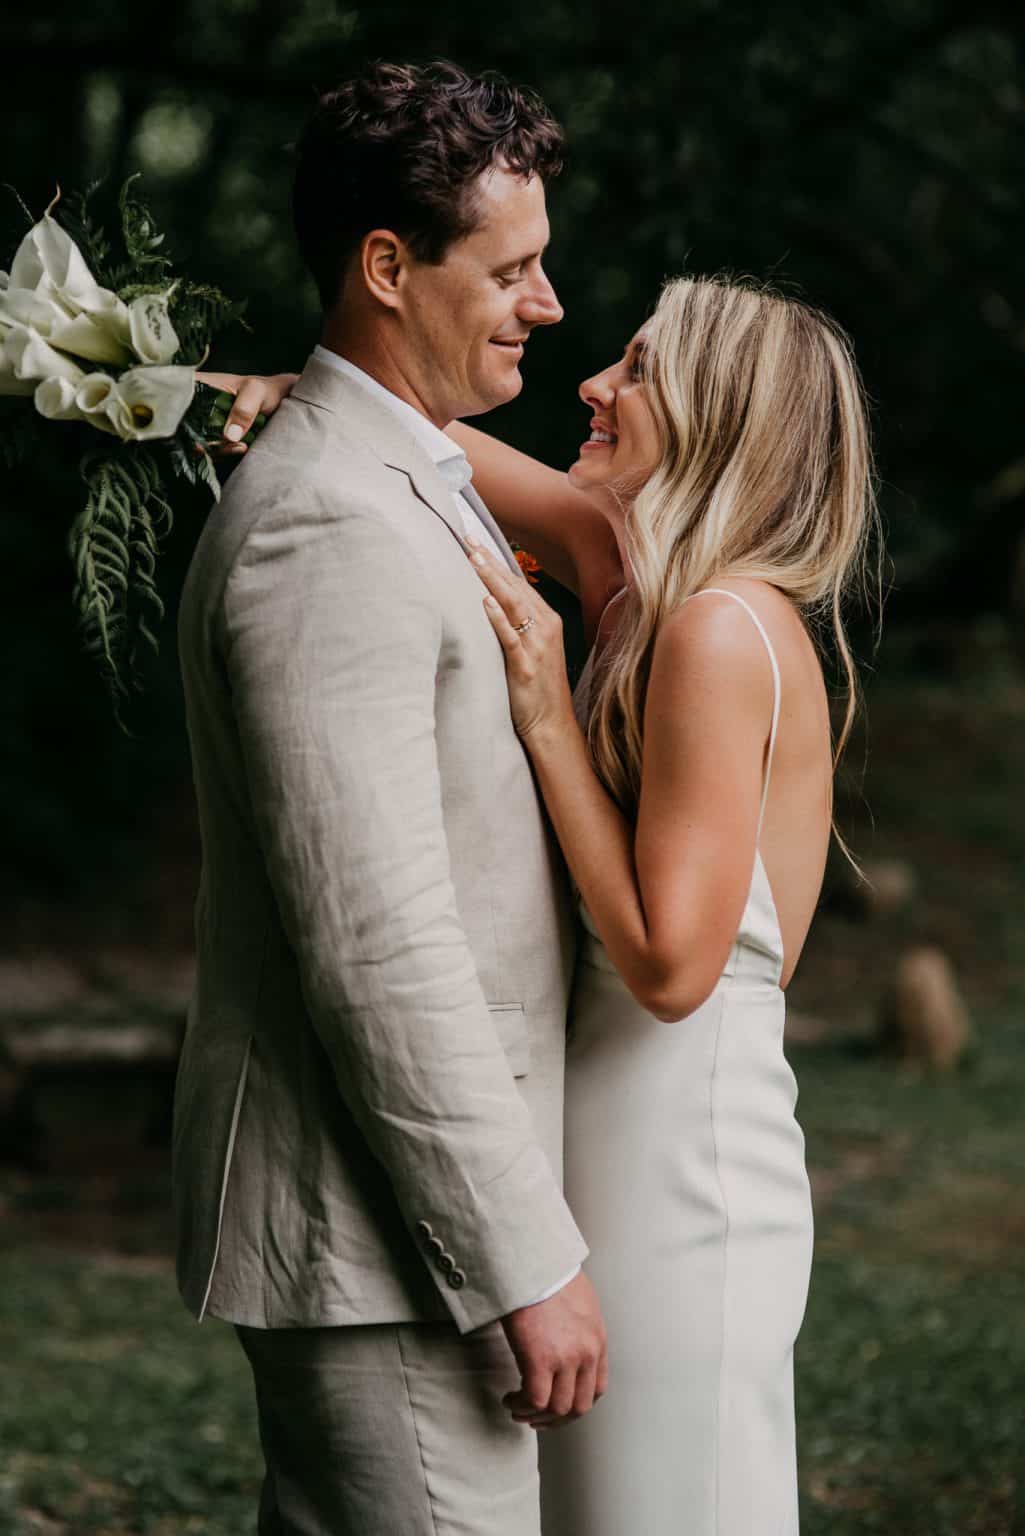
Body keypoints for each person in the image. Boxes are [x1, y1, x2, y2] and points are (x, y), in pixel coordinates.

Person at [217, 272, 878, 1534]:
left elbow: (671, 971)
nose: (593, 381)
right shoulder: (616, 561)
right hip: (592, 1137)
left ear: (713, 413)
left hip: (681, 1161)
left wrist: (546, 718)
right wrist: (214, 389)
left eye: (638, 369)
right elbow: (394, 434)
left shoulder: (718, 631)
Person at [175, 60, 608, 1536]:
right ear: (384, 266)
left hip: (400, 1238)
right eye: (510, 269)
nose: (546, 303)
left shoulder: (396, 469)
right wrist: (519, 1258)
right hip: (382, 1242)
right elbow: (376, 943)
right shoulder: (325, 524)